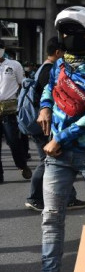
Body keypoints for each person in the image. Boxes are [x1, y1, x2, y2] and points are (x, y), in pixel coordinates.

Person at [12, 6, 85, 272]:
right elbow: (47, 89)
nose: (69, 38)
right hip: (58, 156)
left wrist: (60, 137)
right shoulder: (60, 67)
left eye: (76, 33)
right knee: (51, 217)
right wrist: (45, 108)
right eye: (66, 32)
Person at [25, 37, 85, 212]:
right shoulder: (50, 70)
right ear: (59, 52)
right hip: (43, 122)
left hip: (44, 121)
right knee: (47, 160)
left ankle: (69, 197)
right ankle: (35, 197)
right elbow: (54, 96)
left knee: (56, 160)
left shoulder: (44, 69)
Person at [0, 39, 33, 183]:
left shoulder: (14, 65)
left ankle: (21, 164)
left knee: (13, 142)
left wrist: (23, 104)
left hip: (9, 110)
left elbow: (23, 84)